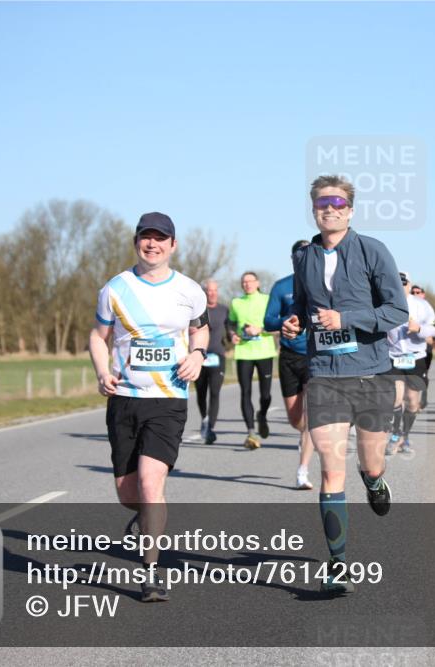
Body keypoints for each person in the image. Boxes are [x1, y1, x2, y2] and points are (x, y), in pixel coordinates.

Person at [282, 175, 407, 595]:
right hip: (325, 377)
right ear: (314, 209)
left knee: (371, 464)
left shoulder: (373, 250)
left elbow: (396, 311)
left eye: (337, 203)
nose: (329, 209)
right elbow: (301, 304)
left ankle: (373, 481)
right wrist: (294, 321)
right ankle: (338, 566)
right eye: (322, 203)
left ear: (350, 210)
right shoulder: (305, 256)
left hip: (371, 375)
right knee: (330, 471)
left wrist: (348, 319)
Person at [89, 212, 208, 603]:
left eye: (161, 239)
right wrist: (102, 370)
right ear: (136, 242)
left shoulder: (189, 290)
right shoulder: (115, 289)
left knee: (150, 482)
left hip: (168, 399)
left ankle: (151, 573)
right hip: (124, 399)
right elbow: (98, 334)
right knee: (128, 493)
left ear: (173, 245)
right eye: (146, 238)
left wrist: (198, 352)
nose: (152, 245)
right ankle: (141, 518)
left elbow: (200, 327)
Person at [264, 240, 315, 490]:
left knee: (312, 414)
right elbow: (267, 321)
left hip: (315, 357)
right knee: (297, 419)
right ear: (292, 258)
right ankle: (304, 434)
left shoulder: (322, 285)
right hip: (289, 357)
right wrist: (287, 320)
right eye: (300, 255)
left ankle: (302, 470)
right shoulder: (281, 286)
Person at [387, 273, 435, 454]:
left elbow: (434, 328)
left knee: (413, 403)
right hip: (394, 356)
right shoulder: (385, 303)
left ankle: (405, 436)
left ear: (409, 285)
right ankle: (395, 434)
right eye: (396, 284)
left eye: (404, 284)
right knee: (396, 398)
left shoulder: (421, 305)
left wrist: (419, 329)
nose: (400, 287)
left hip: (416, 357)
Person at [227, 271, 278, 449]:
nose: (247, 284)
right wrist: (232, 334)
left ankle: (262, 414)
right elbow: (231, 323)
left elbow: (276, 322)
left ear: (257, 283)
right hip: (244, 352)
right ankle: (251, 432)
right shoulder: (236, 303)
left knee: (265, 394)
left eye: (250, 281)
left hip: (264, 351)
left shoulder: (267, 299)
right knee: (245, 392)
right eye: (244, 282)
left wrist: (260, 329)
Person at [195, 279, 227, 444]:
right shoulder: (198, 310)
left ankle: (210, 428)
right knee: (201, 393)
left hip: (218, 357)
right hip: (199, 357)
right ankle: (204, 418)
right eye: (208, 291)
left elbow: (230, 330)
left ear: (217, 292)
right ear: (204, 292)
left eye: (214, 290)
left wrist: (233, 337)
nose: (211, 293)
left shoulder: (224, 310)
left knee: (214, 392)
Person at [410, 284, 433, 409]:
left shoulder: (427, 309)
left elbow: (432, 331)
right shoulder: (406, 307)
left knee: (422, 375)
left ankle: (421, 396)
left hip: (424, 347)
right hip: (407, 349)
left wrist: (422, 332)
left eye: (418, 292)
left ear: (423, 294)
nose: (415, 294)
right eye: (413, 292)